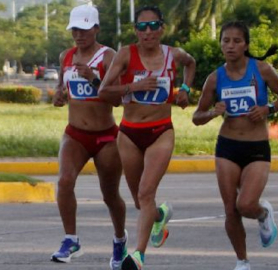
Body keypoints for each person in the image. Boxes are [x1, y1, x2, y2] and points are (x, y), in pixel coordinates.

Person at [99, 5, 196, 270]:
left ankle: (138, 256)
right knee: (140, 201)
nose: (148, 32)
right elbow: (104, 90)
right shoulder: (126, 55)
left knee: (145, 192)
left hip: (160, 132)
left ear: (162, 28)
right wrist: (133, 86)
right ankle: (160, 215)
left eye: (154, 26)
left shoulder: (172, 55)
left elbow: (191, 63)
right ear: (135, 31)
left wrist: (185, 89)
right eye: (142, 27)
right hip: (129, 133)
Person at [192, 21, 278, 270]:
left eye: (237, 41)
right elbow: (196, 117)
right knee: (230, 210)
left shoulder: (262, 70)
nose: (231, 46)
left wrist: (267, 109)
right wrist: (213, 113)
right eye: (226, 41)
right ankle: (242, 261)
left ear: (246, 45)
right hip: (227, 147)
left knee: (245, 204)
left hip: (256, 147)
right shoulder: (215, 78)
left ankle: (262, 213)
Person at [50, 5, 127, 270]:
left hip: (105, 136)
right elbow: (63, 85)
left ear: (96, 29)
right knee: (64, 181)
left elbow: (118, 99)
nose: (79, 35)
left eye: (84, 29)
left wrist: (95, 79)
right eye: (75, 30)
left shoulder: (109, 57)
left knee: (109, 195)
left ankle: (119, 240)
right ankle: (71, 239)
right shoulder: (66, 56)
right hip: (75, 133)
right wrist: (59, 93)